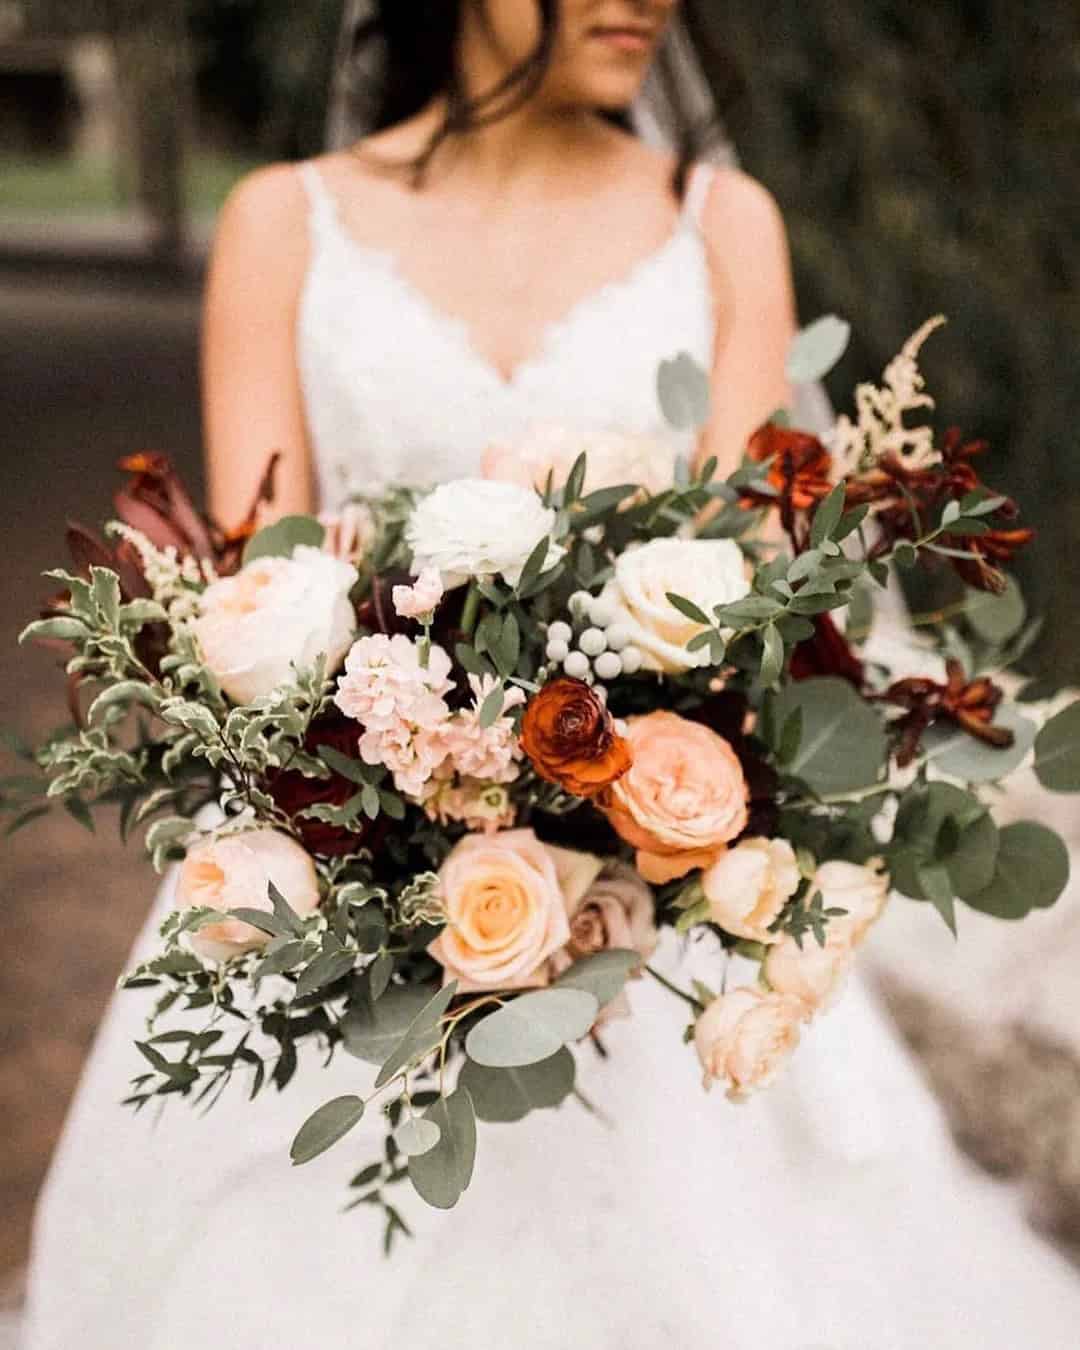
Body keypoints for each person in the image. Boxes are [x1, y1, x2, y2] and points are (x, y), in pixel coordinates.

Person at [20, 4, 1080, 1347]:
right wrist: (418, 789)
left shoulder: (721, 221)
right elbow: (259, 600)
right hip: (339, 891)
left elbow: (751, 595)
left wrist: (617, 814)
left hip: (650, 927)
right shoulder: (284, 225)